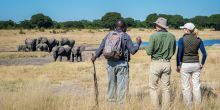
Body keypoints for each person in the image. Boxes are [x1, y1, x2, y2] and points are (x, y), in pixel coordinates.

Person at [91, 19, 142, 103]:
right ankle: (121, 104)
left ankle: (111, 103)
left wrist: (95, 56)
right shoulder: (126, 36)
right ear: (124, 27)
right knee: (122, 85)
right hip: (122, 64)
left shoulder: (108, 35)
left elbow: (101, 47)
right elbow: (132, 51)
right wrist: (138, 44)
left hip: (110, 64)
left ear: (115, 27)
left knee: (111, 84)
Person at [146, 17, 176, 109]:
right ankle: (166, 107)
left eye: (156, 24)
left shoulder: (153, 36)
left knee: (153, 87)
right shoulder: (172, 36)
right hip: (167, 63)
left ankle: (155, 107)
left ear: (159, 26)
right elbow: (173, 50)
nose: (155, 26)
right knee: (166, 88)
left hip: (156, 63)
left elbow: (149, 52)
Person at [177, 23, 207, 106]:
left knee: (186, 87)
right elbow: (204, 54)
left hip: (185, 64)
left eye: (184, 28)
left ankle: (188, 106)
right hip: (196, 64)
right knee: (196, 86)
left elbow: (179, 54)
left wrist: (178, 65)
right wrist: (202, 63)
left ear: (187, 30)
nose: (183, 30)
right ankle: (198, 105)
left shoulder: (181, 39)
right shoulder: (199, 39)